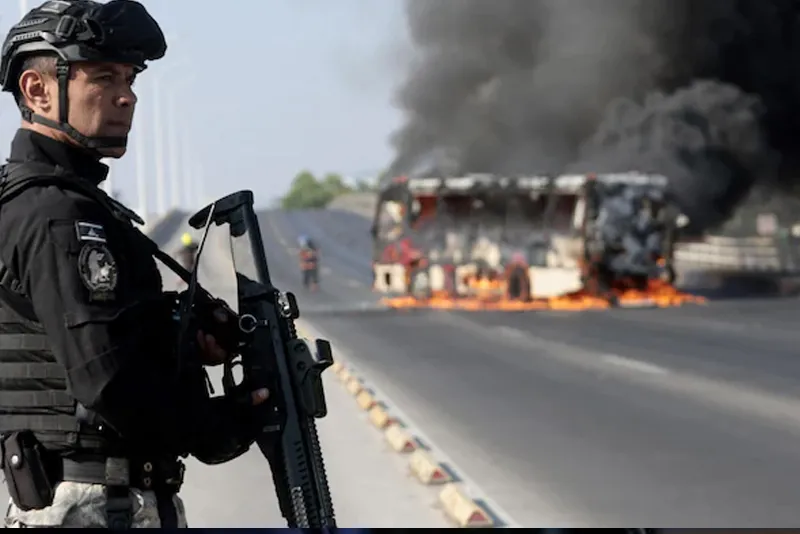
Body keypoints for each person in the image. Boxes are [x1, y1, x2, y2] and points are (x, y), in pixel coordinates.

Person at [0, 1, 276, 528]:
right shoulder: (58, 215)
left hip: (110, 500)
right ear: (37, 90)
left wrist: (178, 332)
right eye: (102, 77)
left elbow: (95, 337)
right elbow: (106, 381)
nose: (126, 96)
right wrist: (217, 426)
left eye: (129, 78)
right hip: (97, 506)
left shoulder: (74, 204)